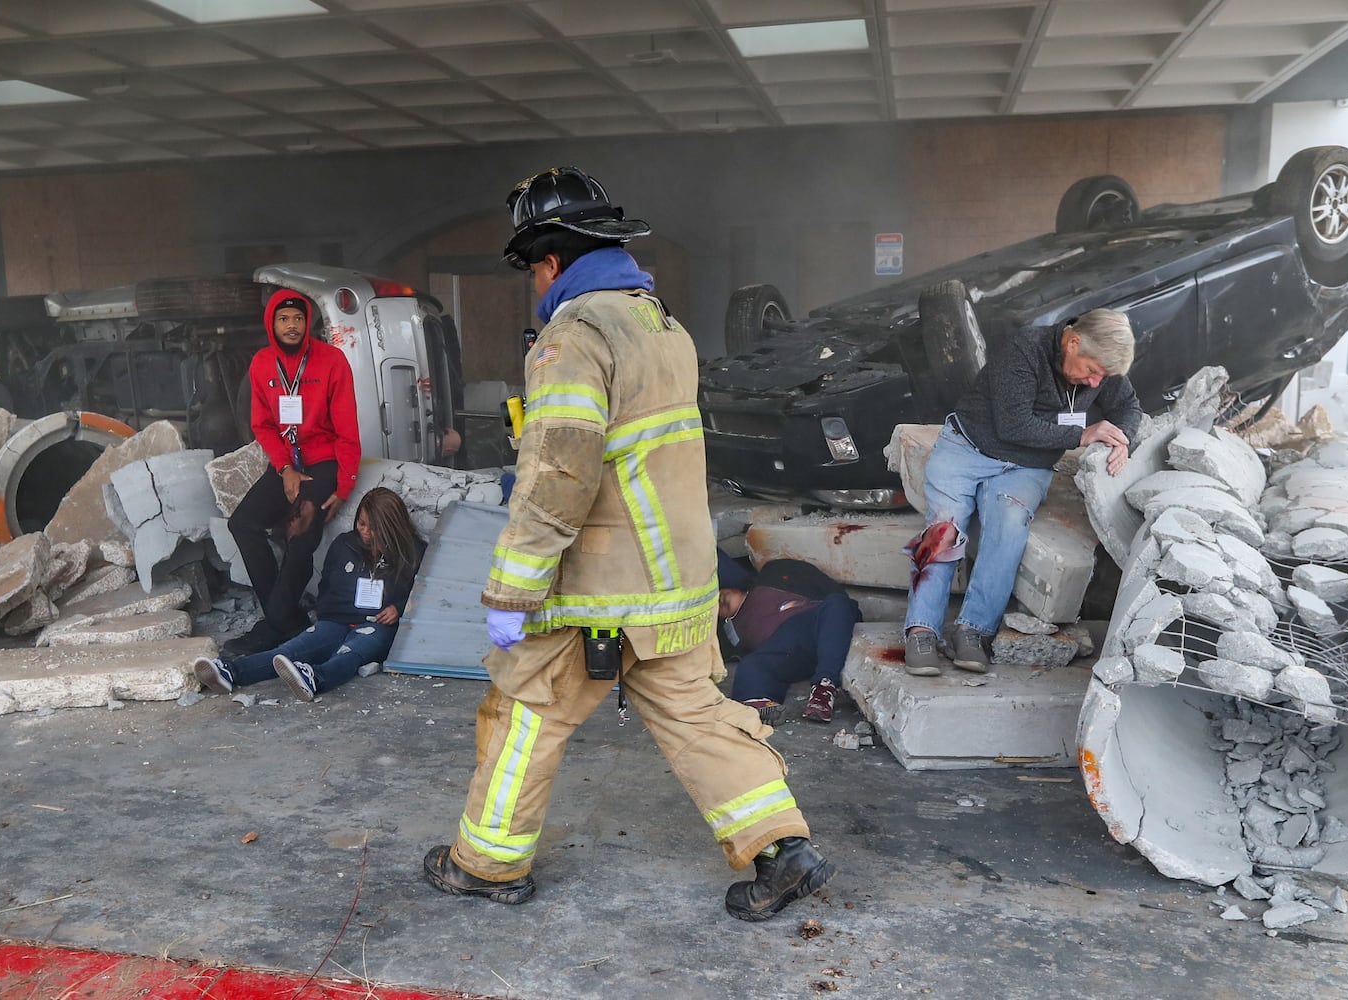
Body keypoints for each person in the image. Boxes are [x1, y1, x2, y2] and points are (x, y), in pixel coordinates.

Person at [422, 166, 834, 923]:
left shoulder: (574, 336)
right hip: (676, 579)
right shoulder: (662, 326)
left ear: (550, 261)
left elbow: (556, 475)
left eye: (532, 269)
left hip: (599, 584)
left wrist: (513, 590)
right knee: (695, 714)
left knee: (524, 713)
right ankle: (783, 850)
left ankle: (485, 864)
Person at [903, 308, 1141, 675]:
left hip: (1027, 466)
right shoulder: (1025, 349)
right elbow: (1014, 424)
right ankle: (921, 630)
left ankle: (974, 631)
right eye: (1092, 371)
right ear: (1073, 341)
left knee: (1009, 529)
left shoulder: (1098, 366)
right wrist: (1083, 434)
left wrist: (1121, 438)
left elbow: (1128, 405)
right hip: (967, 449)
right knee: (944, 528)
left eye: (1103, 376)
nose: (1096, 383)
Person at [224, 288, 362, 657]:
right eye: (284, 319)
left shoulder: (331, 361)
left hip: (323, 461)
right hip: (287, 463)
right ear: (272, 324)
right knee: (241, 524)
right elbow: (263, 425)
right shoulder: (261, 364)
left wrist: (346, 483)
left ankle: (272, 626)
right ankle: (286, 619)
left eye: (298, 319)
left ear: (307, 324)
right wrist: (284, 468)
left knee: (301, 527)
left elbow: (348, 430)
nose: (292, 326)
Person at [195, 487, 425, 701]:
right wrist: (330, 614)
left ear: (390, 527)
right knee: (288, 651)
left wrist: (400, 608)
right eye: (361, 523)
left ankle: (315, 678)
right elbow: (327, 584)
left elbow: (428, 596)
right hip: (337, 621)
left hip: (379, 625)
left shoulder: (413, 553)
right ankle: (230, 672)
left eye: (373, 527)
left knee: (351, 653)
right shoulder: (345, 544)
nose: (364, 531)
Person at [717, 552, 860, 725]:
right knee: (751, 665)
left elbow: (837, 597)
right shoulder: (729, 630)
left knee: (837, 604)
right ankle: (756, 706)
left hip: (811, 623)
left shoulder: (771, 577)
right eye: (714, 603)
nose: (719, 600)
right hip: (781, 647)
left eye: (721, 593)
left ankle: (824, 687)